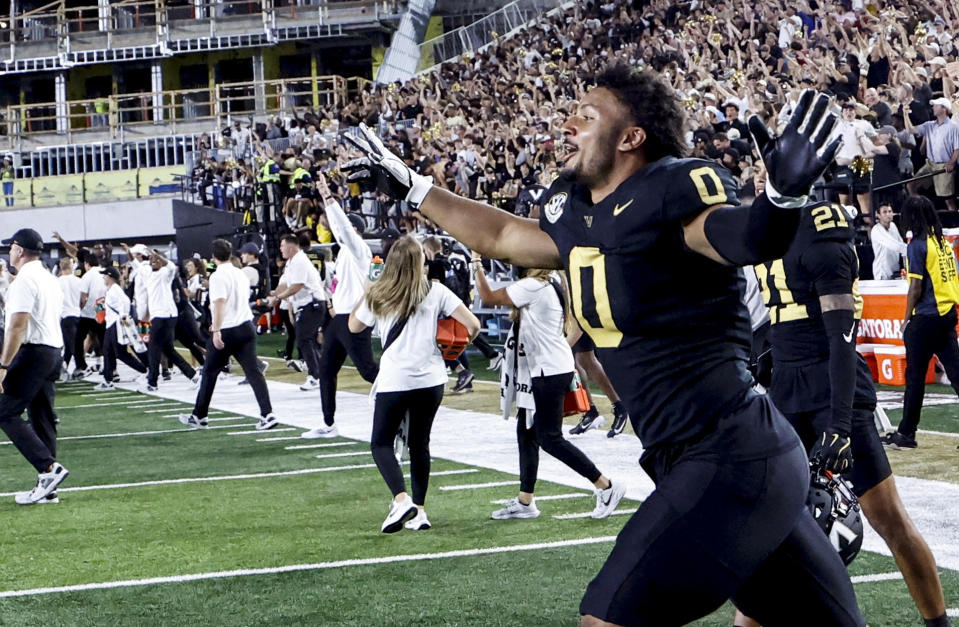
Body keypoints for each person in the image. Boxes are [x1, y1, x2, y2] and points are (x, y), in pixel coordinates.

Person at [344, 68, 863, 625]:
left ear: (630, 137)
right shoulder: (576, 210)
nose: (567, 124)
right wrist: (415, 189)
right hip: (686, 454)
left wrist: (781, 200)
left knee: (607, 618)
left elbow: (743, 237)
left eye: (586, 116)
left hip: (732, 450)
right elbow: (499, 235)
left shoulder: (673, 190)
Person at [742, 193, 952, 627]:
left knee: (887, 518)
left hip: (830, 388)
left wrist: (839, 424)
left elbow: (841, 339)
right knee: (766, 528)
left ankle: (938, 624)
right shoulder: (762, 224)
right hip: (785, 386)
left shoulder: (819, 229)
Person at [474, 256, 626, 520]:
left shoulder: (535, 285)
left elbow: (487, 297)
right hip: (548, 366)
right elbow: (577, 320)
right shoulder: (554, 281)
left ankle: (606, 486)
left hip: (548, 370)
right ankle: (525, 501)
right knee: (526, 433)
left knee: (549, 438)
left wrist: (476, 262)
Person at [348, 236, 480, 533]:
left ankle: (400, 498)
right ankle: (419, 510)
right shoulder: (436, 290)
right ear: (421, 260)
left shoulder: (381, 293)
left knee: (381, 443)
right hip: (432, 378)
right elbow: (473, 325)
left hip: (396, 379)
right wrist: (450, 353)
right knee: (419, 443)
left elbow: (353, 326)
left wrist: (369, 289)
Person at [300, 175, 379, 439]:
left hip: (355, 318)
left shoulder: (360, 251)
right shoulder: (344, 251)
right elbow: (338, 228)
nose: (337, 231)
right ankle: (328, 422)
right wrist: (325, 198)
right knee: (326, 371)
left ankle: (404, 395)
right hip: (339, 320)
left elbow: (343, 228)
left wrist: (331, 199)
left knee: (368, 371)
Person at [883, 195, 959, 449]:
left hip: (926, 316)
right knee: (956, 372)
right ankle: (905, 432)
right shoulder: (942, 243)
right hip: (947, 313)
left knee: (915, 377)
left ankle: (906, 433)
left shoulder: (917, 244)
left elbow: (915, 287)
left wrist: (905, 319)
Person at [0, 228, 69, 505]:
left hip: (34, 351)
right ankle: (48, 487)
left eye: (11, 248)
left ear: (19, 250)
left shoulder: (24, 280)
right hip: (53, 350)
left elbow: (17, 326)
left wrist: (3, 364)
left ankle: (48, 468)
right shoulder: (50, 278)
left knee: (5, 412)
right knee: (42, 416)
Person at [180, 240, 278, 432]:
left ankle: (200, 415)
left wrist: (216, 330)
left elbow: (219, 304)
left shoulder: (218, 276)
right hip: (246, 326)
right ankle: (267, 413)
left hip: (228, 329)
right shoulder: (240, 273)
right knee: (253, 372)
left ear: (214, 257)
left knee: (209, 373)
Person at [267, 233, 326, 391]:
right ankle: (321, 373)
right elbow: (286, 284)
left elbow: (297, 286)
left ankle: (315, 376)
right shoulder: (291, 262)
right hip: (306, 304)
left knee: (304, 338)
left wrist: (278, 298)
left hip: (312, 303)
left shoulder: (300, 261)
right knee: (307, 339)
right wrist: (273, 295)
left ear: (291, 246)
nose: (280, 249)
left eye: (282, 245)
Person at [140, 248, 200, 392]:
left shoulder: (165, 273)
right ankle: (193, 375)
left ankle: (152, 382)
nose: (154, 262)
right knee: (168, 350)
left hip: (165, 316)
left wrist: (160, 258)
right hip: (160, 316)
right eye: (152, 260)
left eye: (157, 260)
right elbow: (137, 263)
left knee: (154, 348)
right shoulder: (148, 274)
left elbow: (172, 267)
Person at [567, 331, 630, 438]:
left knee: (574, 358)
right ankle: (595, 411)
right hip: (569, 319)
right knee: (583, 359)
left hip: (575, 319)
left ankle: (617, 408)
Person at [95, 266, 147, 391]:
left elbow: (125, 301)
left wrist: (123, 316)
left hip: (115, 324)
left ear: (110, 277)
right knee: (108, 351)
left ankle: (145, 370)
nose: (103, 277)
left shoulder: (115, 290)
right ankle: (108, 380)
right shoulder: (112, 289)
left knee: (120, 353)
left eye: (105, 275)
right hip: (111, 324)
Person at [904, 98, 959, 212]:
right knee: (911, 185)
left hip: (943, 165)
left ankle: (954, 222)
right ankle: (919, 211)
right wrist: (905, 114)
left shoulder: (953, 127)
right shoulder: (929, 125)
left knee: (948, 199)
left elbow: (957, 147)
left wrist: (951, 163)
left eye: (936, 105)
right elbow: (911, 130)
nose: (933, 108)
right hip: (930, 164)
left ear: (944, 108)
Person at [57, 257, 82, 379]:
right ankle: (78, 367)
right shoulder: (78, 281)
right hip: (77, 314)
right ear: (71, 267)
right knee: (73, 344)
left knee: (69, 344)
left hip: (64, 316)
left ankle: (64, 366)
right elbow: (83, 299)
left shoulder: (57, 282)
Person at [872, 203, 907, 280]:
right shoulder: (876, 230)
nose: (888, 214)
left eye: (890, 211)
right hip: (882, 273)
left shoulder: (893, 226)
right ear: (878, 215)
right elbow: (893, 245)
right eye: (884, 212)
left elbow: (900, 243)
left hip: (894, 270)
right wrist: (909, 248)